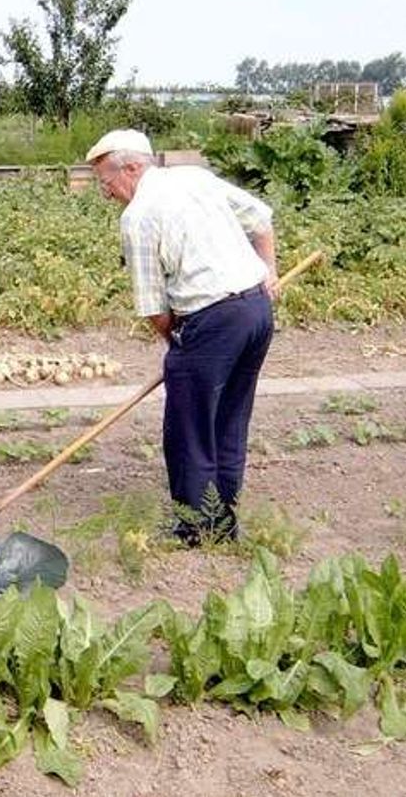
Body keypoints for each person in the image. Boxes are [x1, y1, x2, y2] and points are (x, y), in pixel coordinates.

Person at [85, 129, 279, 544]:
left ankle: (198, 529)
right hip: (257, 312)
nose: (106, 193)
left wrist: (181, 344)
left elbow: (153, 307)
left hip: (212, 318)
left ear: (132, 168)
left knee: (189, 429)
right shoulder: (194, 177)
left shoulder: (138, 216)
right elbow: (261, 218)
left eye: (106, 181)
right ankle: (223, 522)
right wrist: (270, 272)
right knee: (229, 419)